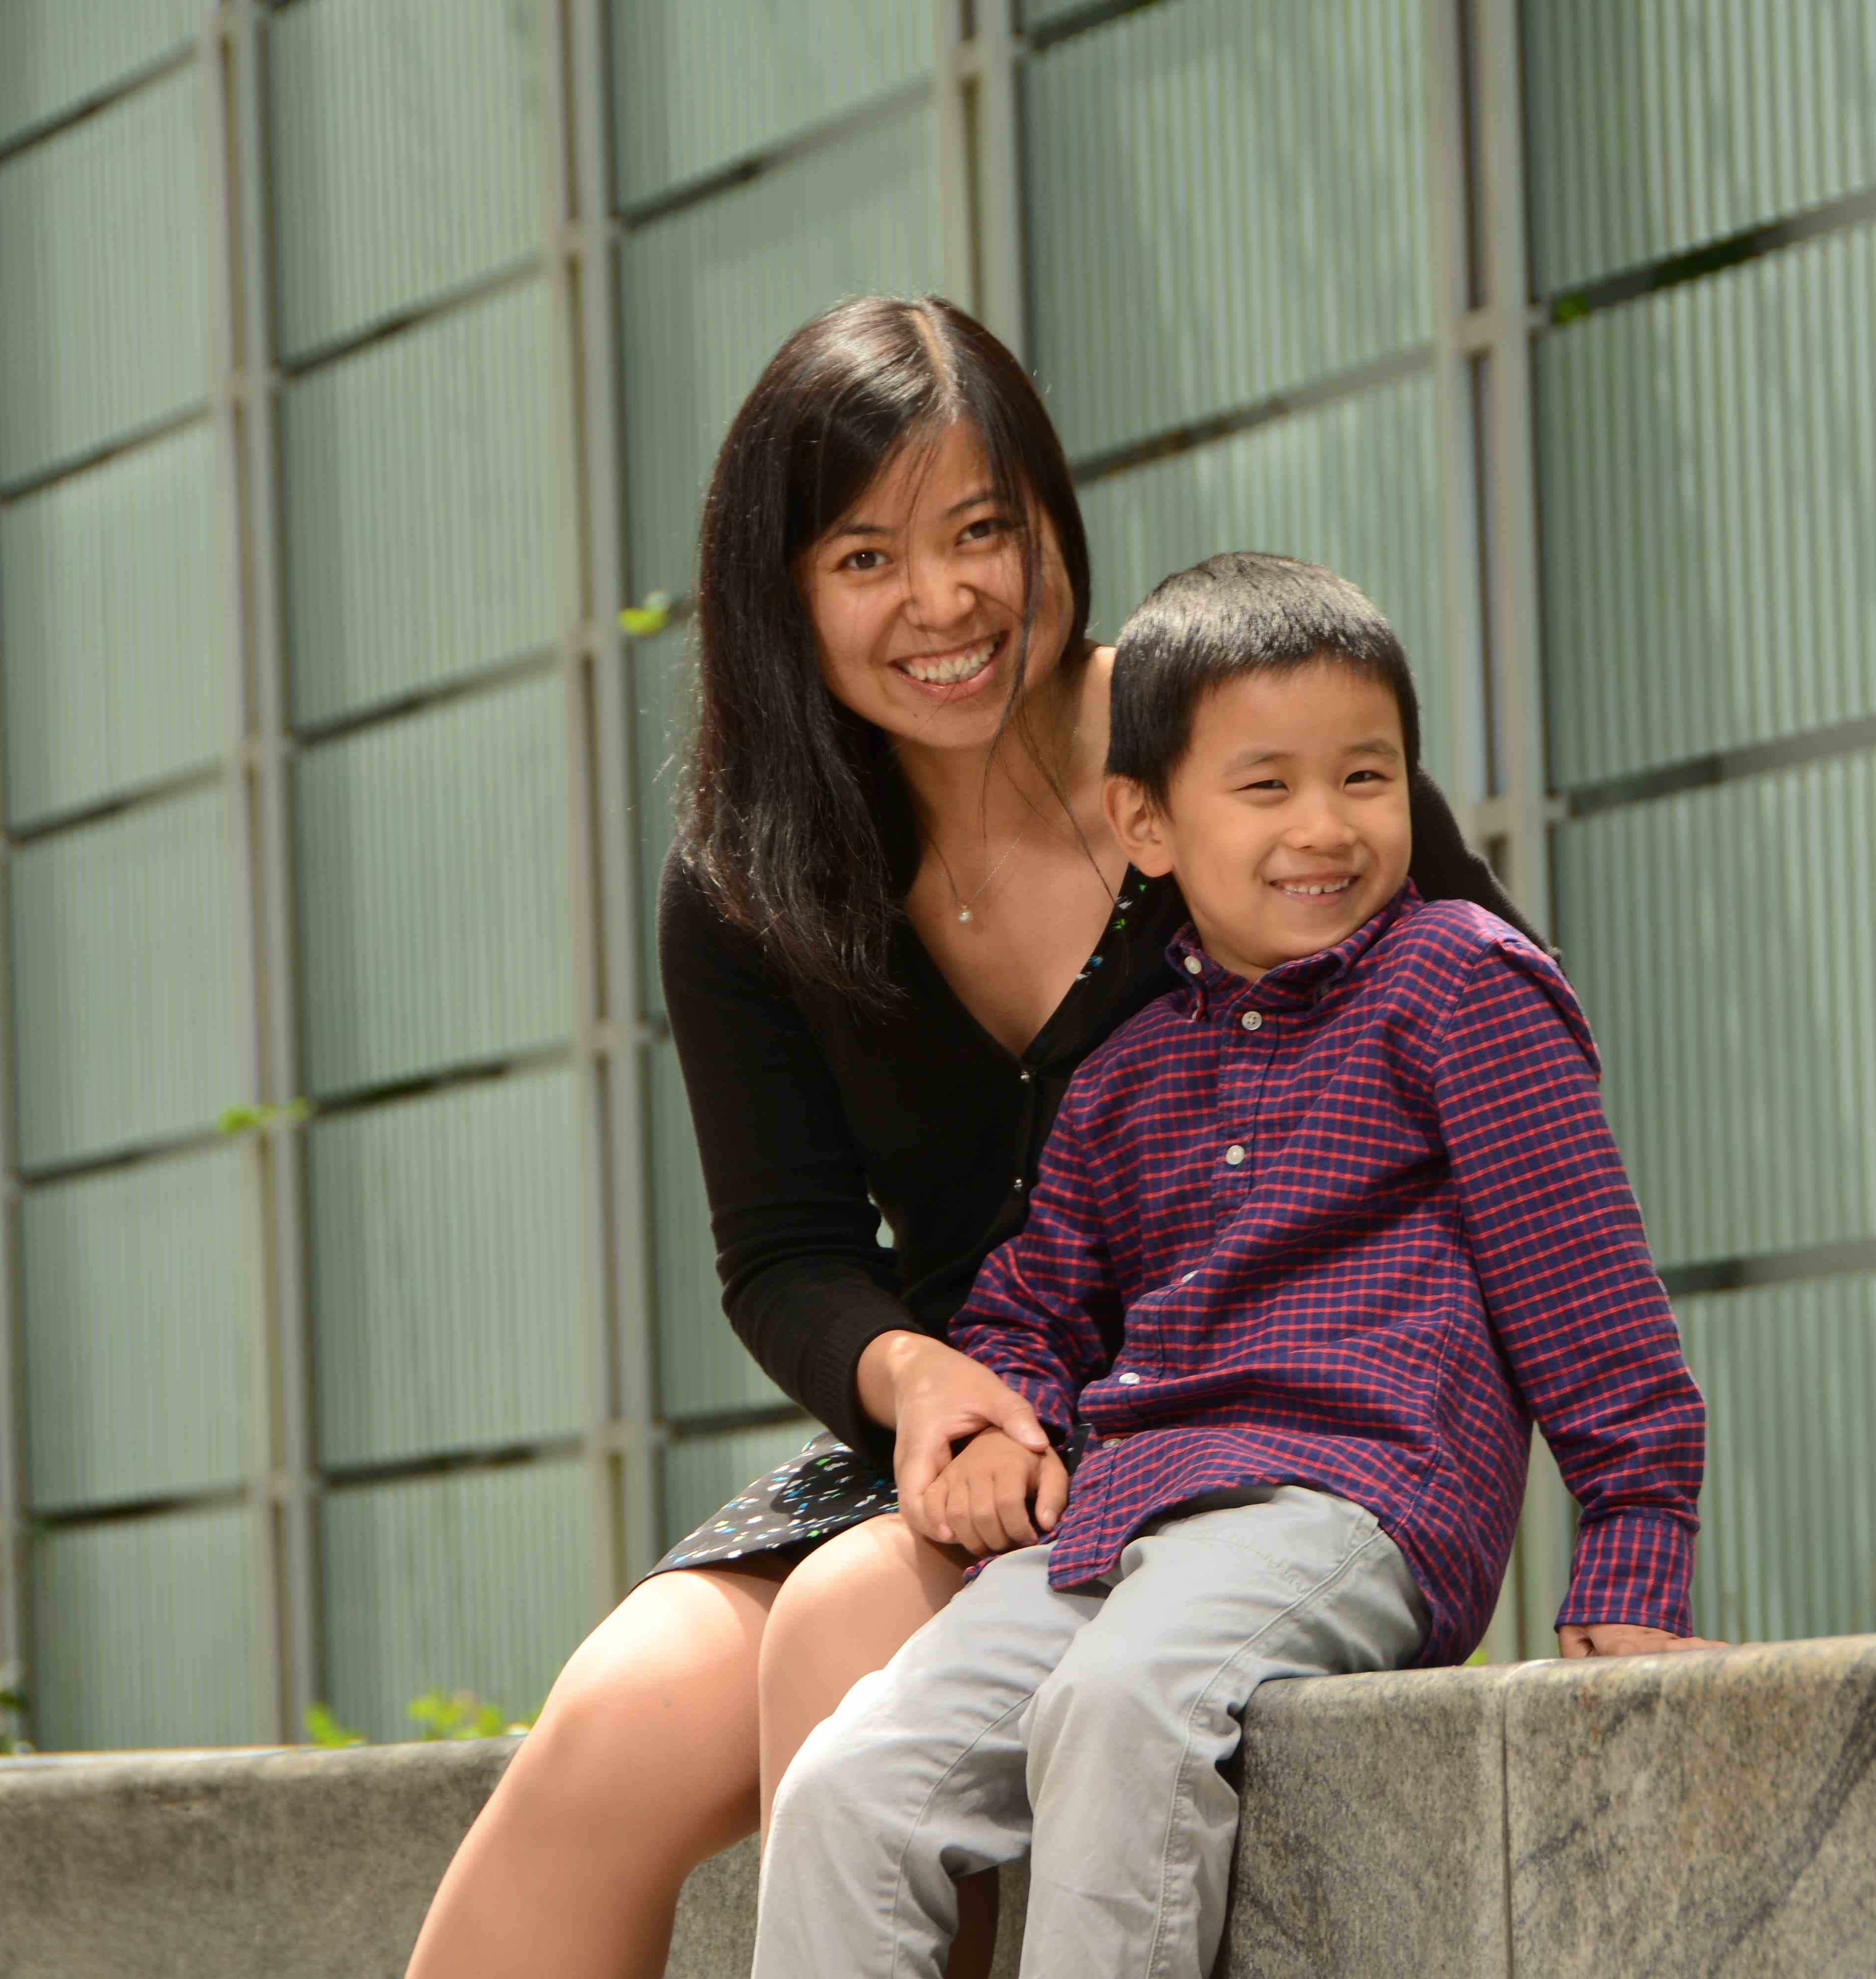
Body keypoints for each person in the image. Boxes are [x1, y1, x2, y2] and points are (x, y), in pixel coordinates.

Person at [403, 301, 1544, 1978]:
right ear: (784, 590)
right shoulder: (750, 872)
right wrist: (919, 1382)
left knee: (852, 1624)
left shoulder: (1247, 757)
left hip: (1250, 1407)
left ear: (1051, 527)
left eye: (981, 533)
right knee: (602, 1741)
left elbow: (1513, 1097)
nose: (940, 603)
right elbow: (785, 1256)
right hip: (955, 1412)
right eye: (865, 557)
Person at [750, 553, 1713, 1979]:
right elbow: (1038, 1301)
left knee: (1125, 1704)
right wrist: (999, 1427)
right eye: (1265, 787)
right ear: (1147, 824)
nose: (1323, 829)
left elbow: (1593, 1306)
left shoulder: (1462, 983)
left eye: (1367, 779)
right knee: (850, 1782)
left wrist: (1634, 1559)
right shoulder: (1127, 1074)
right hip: (1123, 1520)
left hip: (1354, 1493)